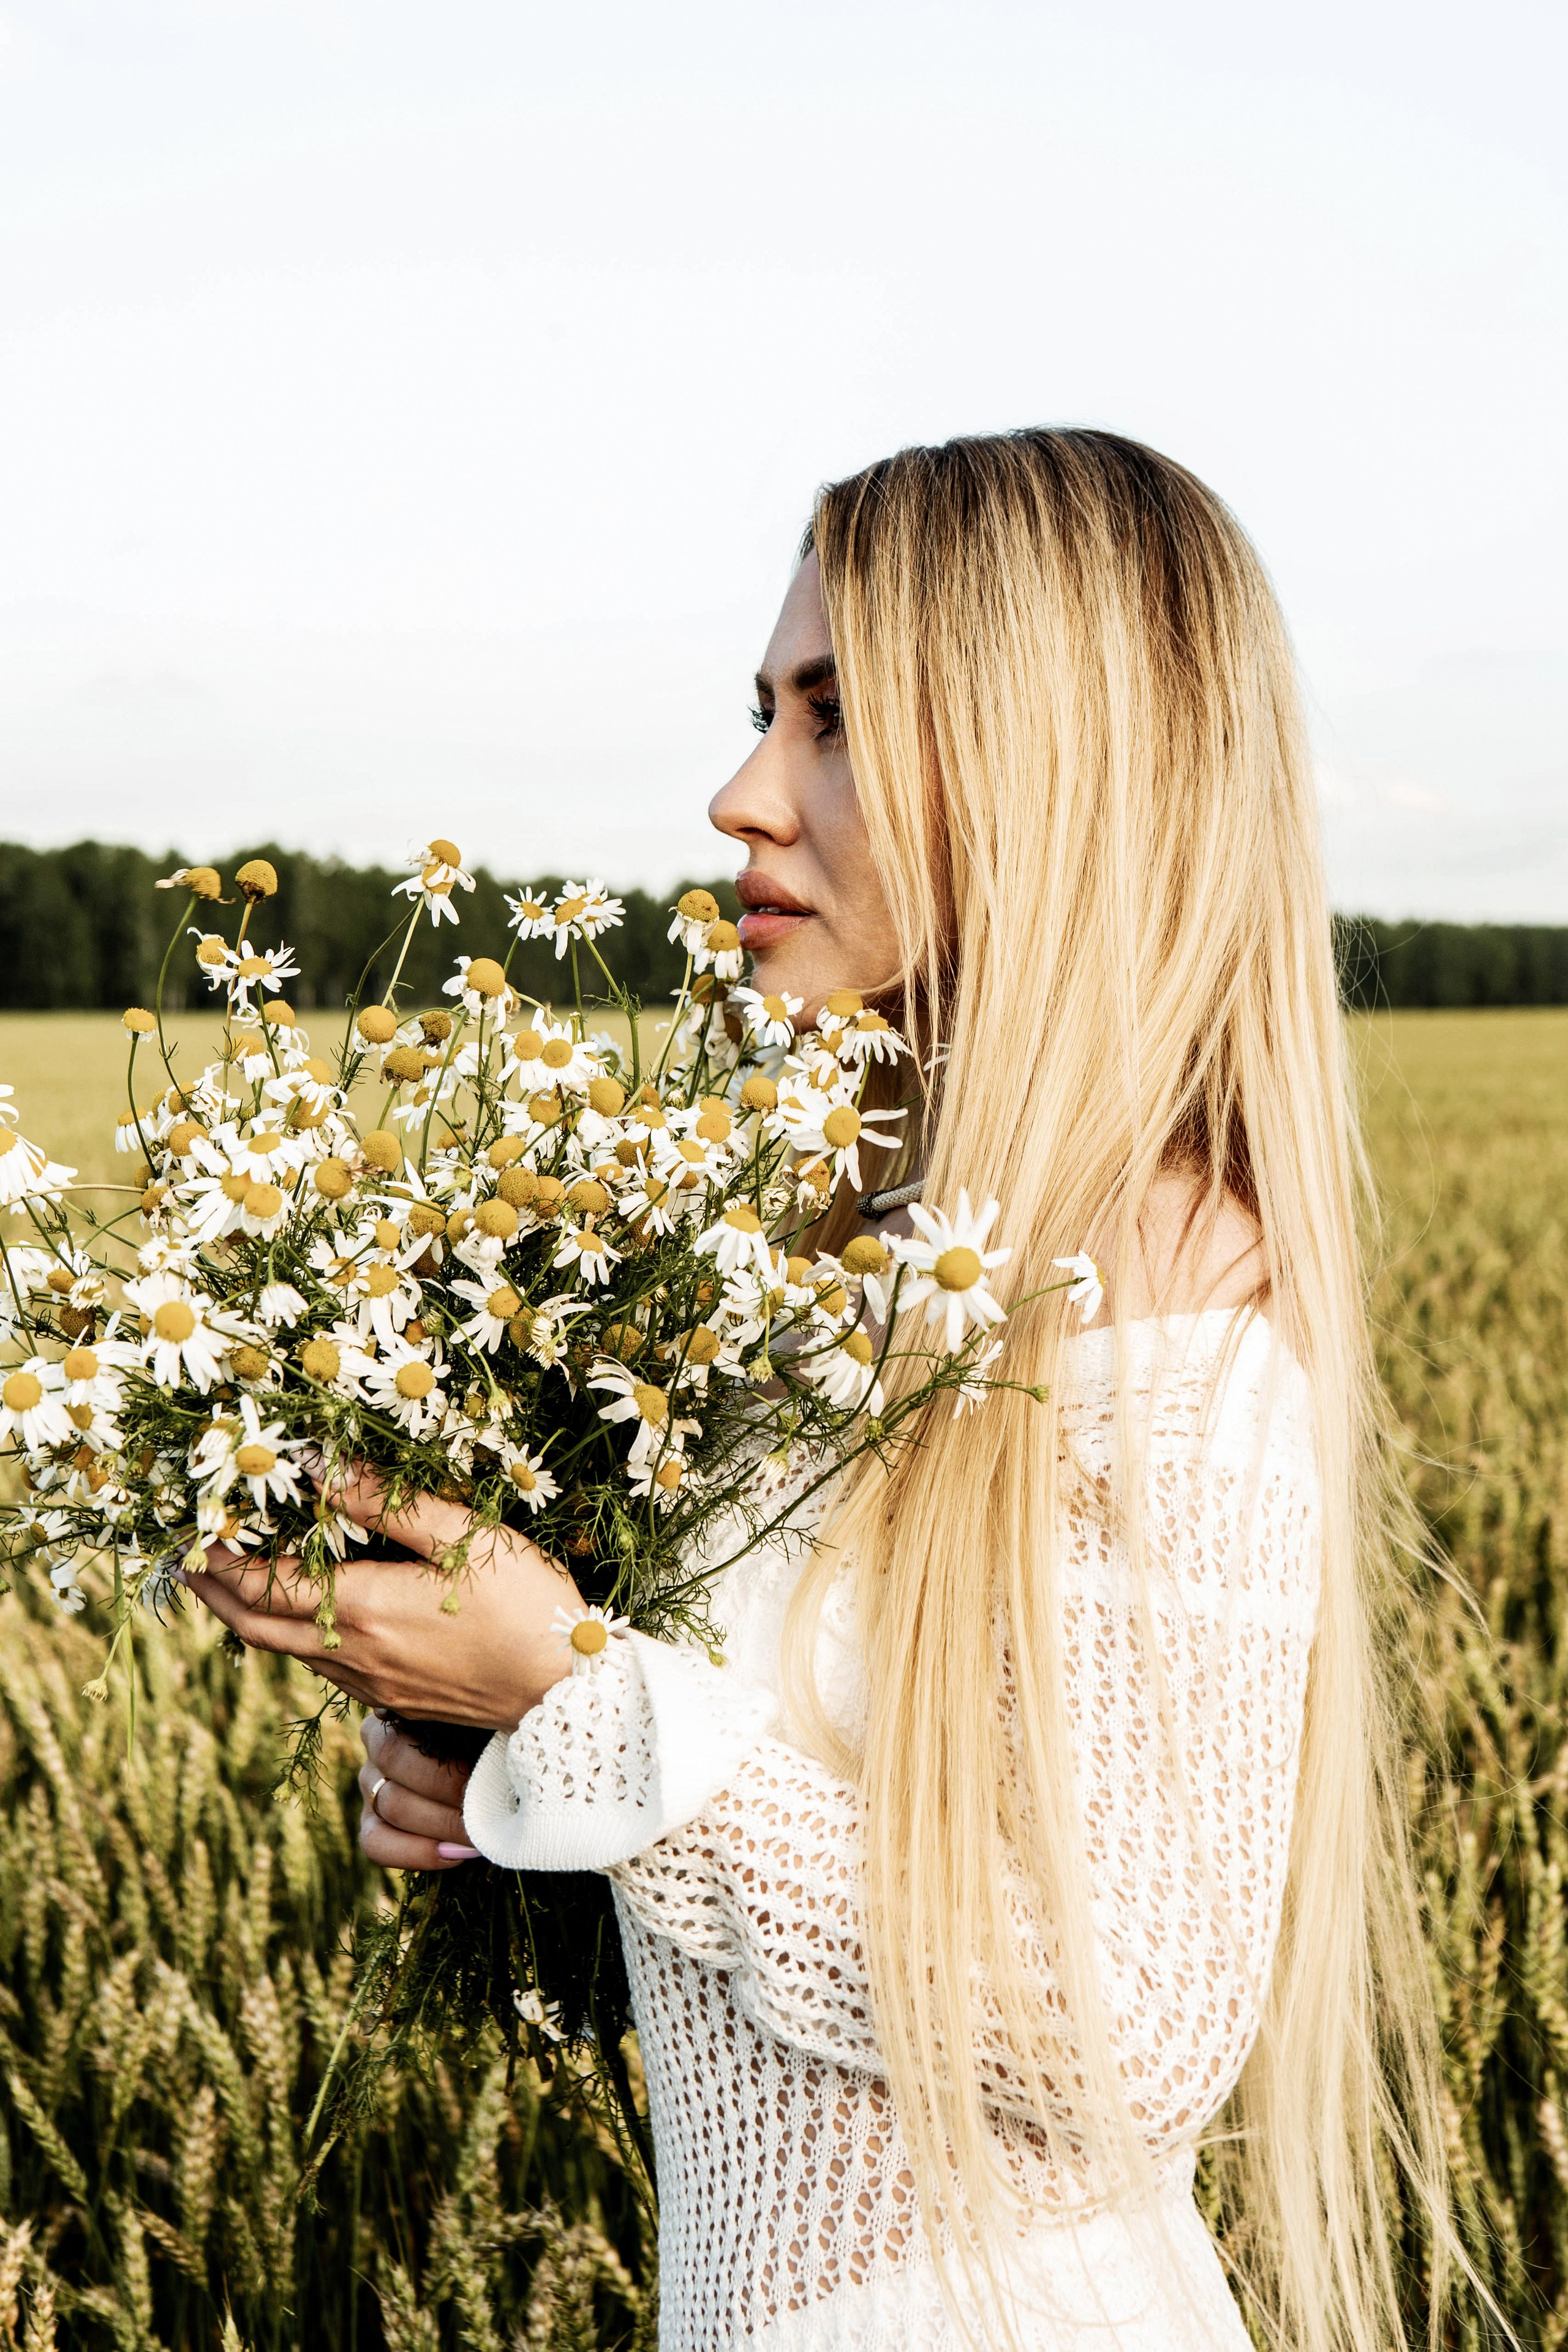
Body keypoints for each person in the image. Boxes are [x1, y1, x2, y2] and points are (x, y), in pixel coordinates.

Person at [187, 429, 1453, 2350]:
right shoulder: (847, 1265)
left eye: (836, 719)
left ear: (1061, 769)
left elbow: (1124, 2040)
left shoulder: (1175, 1292)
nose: (740, 793)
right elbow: (822, 1980)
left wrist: (582, 1704)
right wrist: (486, 1762)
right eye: (765, 710)